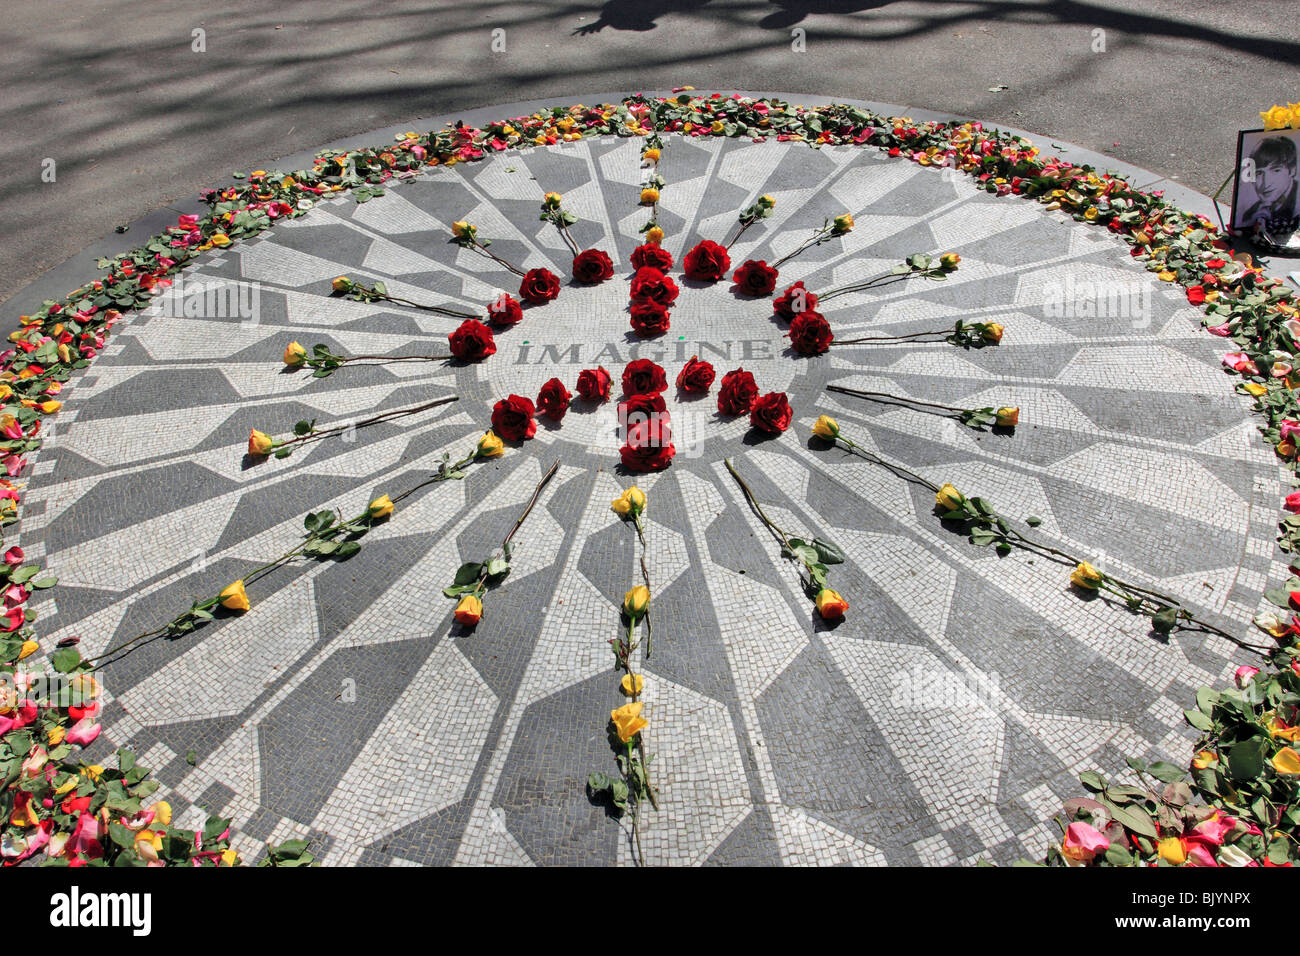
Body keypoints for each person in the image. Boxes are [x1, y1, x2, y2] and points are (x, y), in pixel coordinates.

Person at [1239, 135, 1300, 235]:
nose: (1266, 183)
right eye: (1259, 173)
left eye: (1276, 170)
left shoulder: (1297, 206)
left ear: (1292, 170)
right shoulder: (1250, 214)